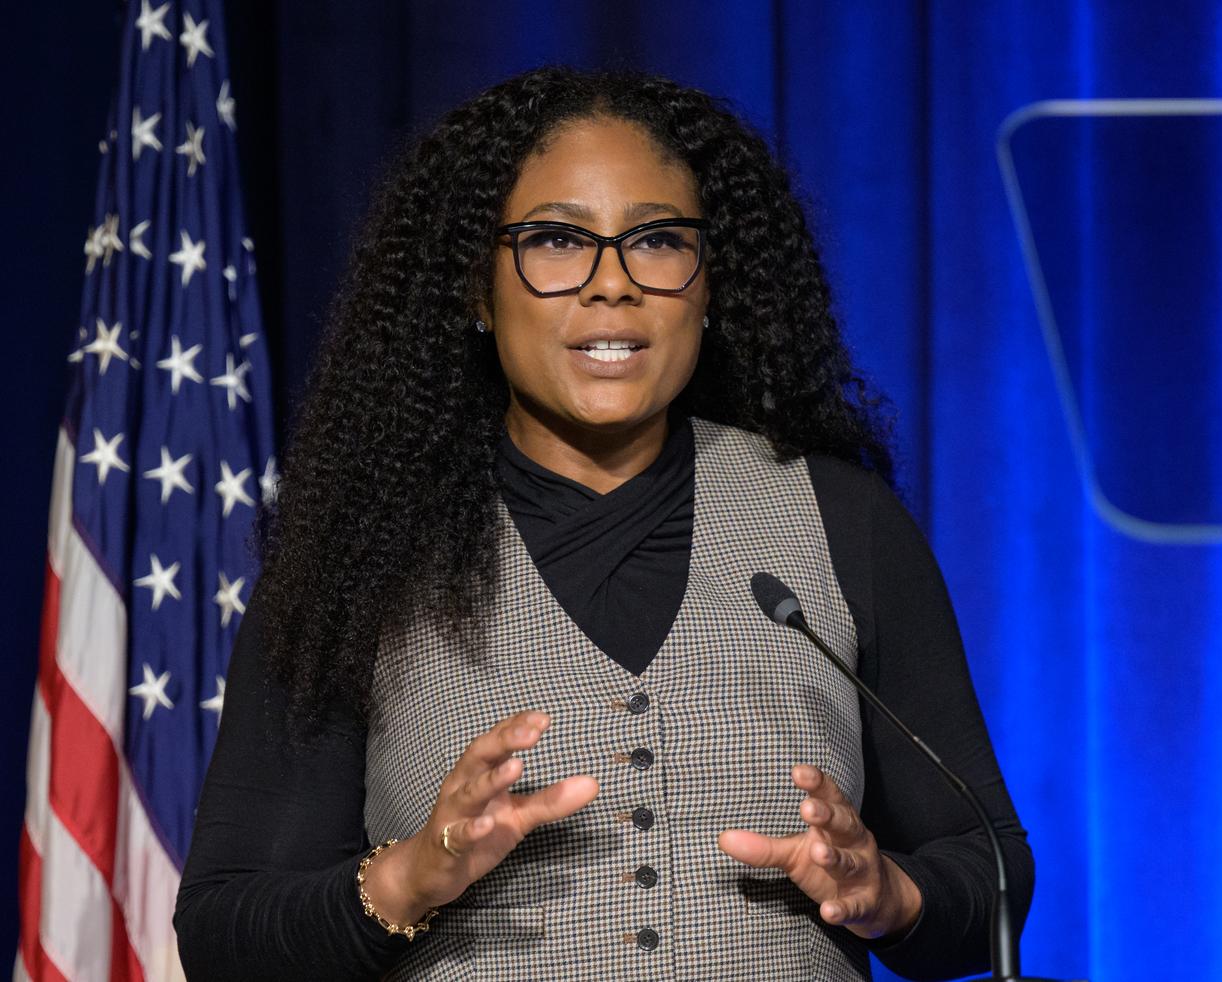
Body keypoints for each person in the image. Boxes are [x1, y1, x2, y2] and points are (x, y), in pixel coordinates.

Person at [173, 66, 1033, 981]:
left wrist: (891, 895)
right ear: (474, 288)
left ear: (710, 288)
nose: (612, 286)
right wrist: (412, 877)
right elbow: (224, 934)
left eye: (657, 241)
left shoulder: (841, 523)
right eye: (555, 240)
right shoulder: (364, 553)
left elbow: (989, 868)